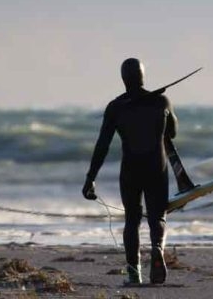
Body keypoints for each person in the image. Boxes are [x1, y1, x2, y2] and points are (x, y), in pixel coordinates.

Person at [82, 58, 178, 285]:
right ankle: (157, 249)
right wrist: (166, 111)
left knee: (132, 220)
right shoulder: (161, 101)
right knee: (158, 217)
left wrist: (90, 178)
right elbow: (172, 133)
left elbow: (102, 145)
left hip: (131, 170)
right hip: (157, 167)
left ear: (124, 79)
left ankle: (134, 272)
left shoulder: (116, 107)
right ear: (143, 77)